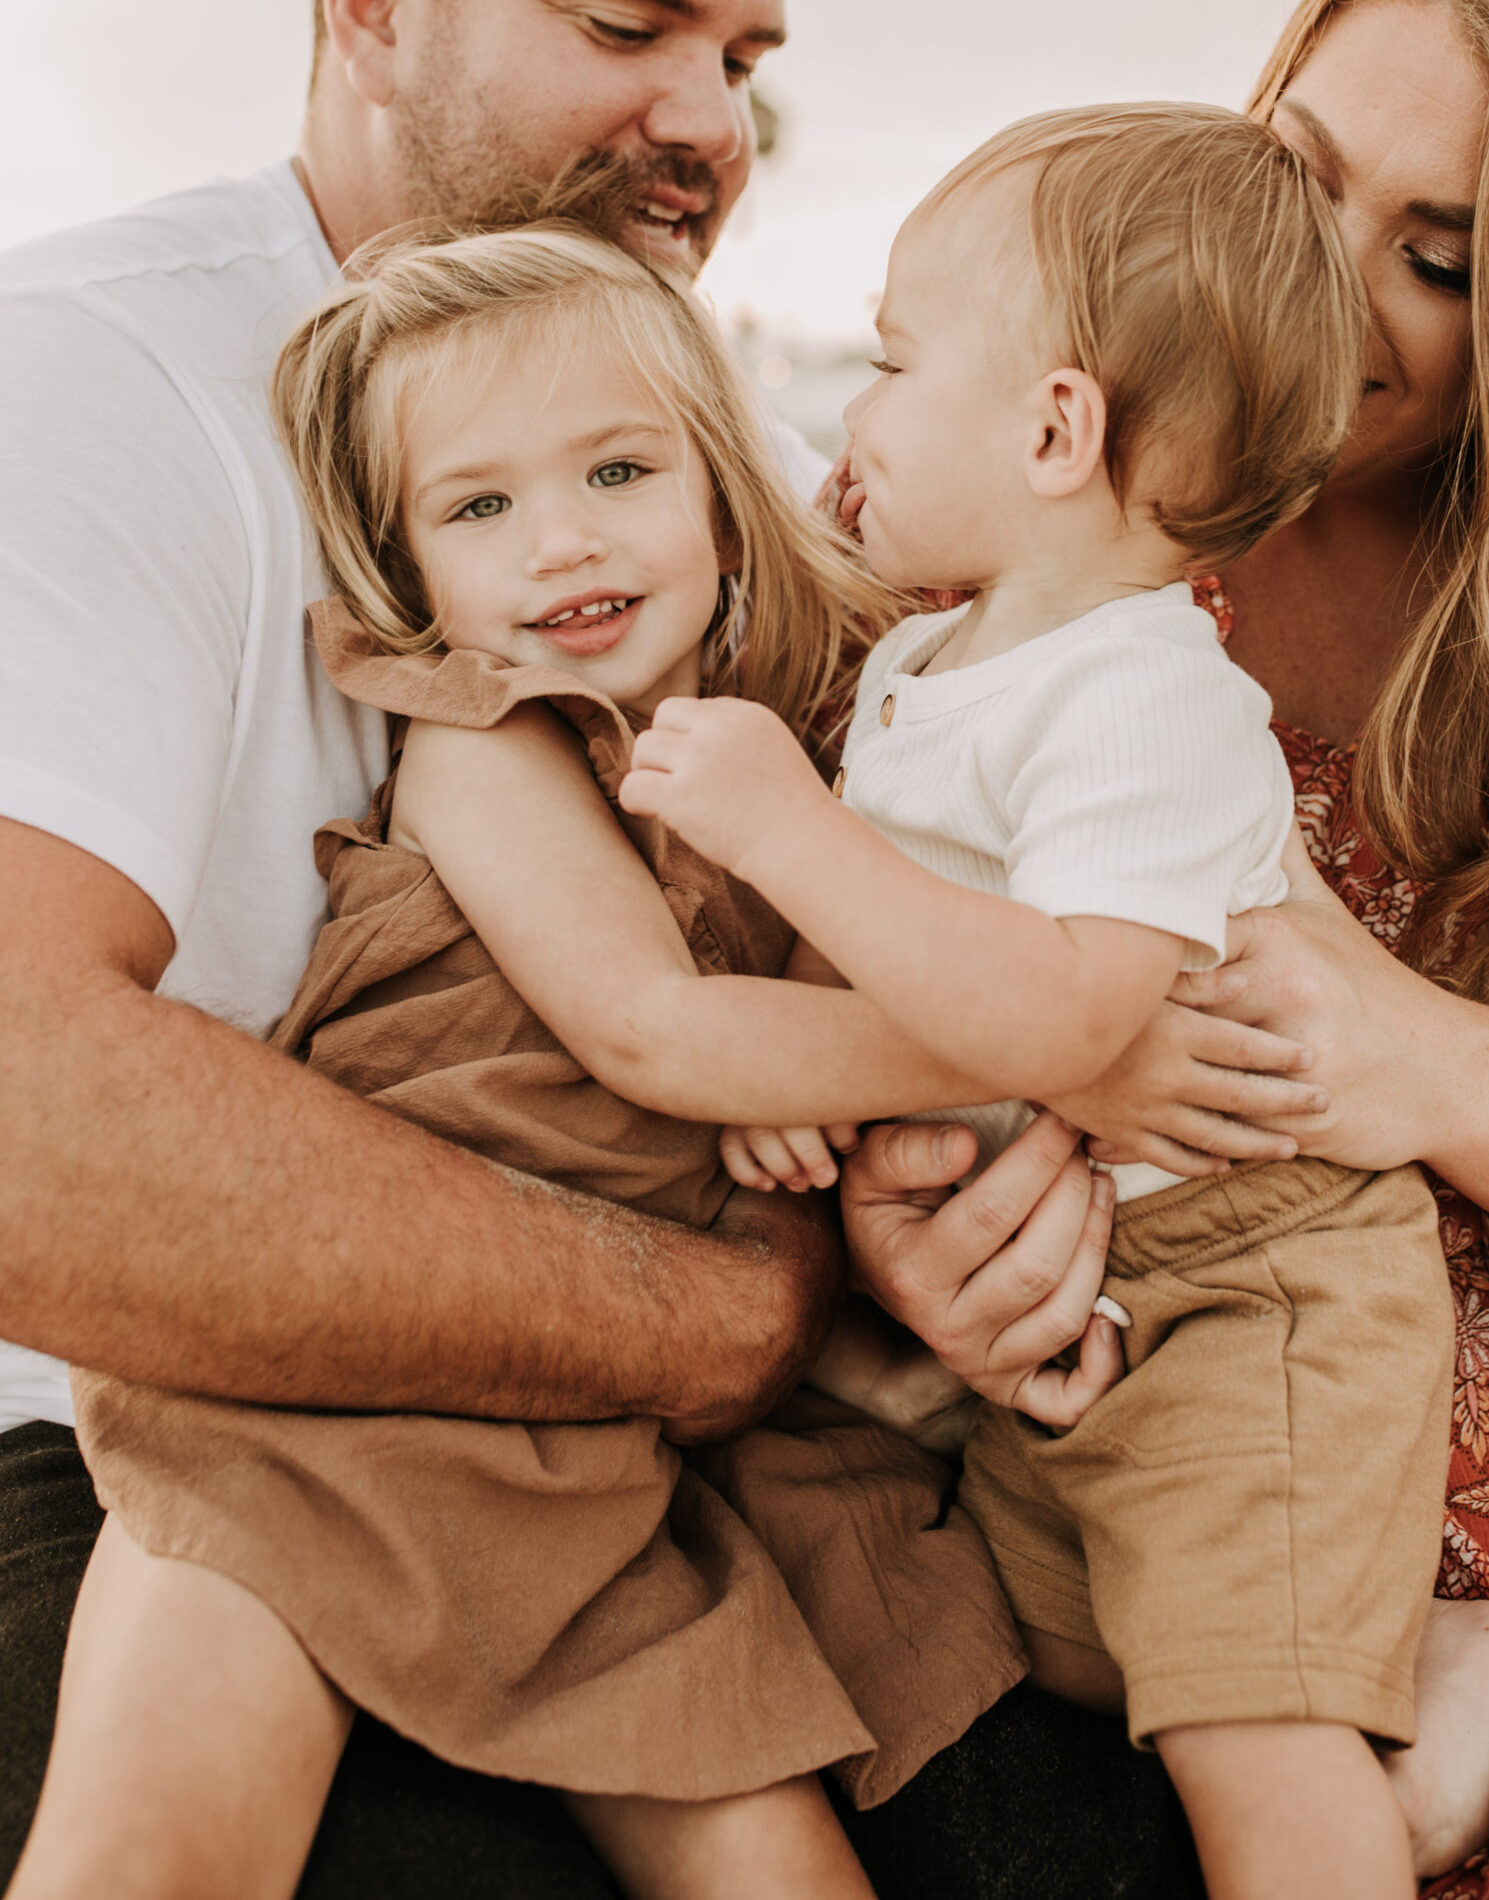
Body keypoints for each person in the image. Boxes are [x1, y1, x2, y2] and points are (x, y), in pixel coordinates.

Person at [841, 0, 1489, 1899]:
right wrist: (917, 1233)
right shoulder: (1041, 526)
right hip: (1116, 1427)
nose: (1318, 275)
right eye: (1290, 172)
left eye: (1432, 255)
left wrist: (1422, 1062)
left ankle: (1460, 1708)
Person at [13, 213, 1036, 1900]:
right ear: (413, 573)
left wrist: (798, 1098)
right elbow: (652, 1027)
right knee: (157, 1853)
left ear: (721, 481)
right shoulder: (482, 741)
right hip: (337, 1394)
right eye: (478, 508)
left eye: (618, 472)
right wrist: (949, 1057)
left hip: (597, 1454)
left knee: (781, 1857)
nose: (559, 544)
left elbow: (789, 998)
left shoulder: (797, 732)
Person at [619, 101, 1489, 1897]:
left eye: (888, 363)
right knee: (1069, 1644)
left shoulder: (1145, 696)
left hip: (1249, 1286)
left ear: (1052, 430)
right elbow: (909, 928)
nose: (856, 416)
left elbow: (1066, 1021)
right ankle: (1413, 1678)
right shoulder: (931, 656)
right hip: (1110, 1283)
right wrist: (794, 1060)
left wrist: (785, 834)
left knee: (1244, 1740)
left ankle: (1362, 1786)